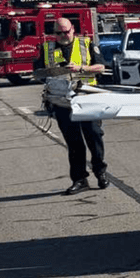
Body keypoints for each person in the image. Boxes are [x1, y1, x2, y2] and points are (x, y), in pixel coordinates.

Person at [43, 16, 108, 194]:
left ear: (73, 29)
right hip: (62, 102)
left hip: (87, 98)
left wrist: (81, 68)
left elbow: (101, 67)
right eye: (59, 33)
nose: (64, 35)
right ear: (54, 33)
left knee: (94, 137)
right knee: (74, 143)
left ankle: (100, 173)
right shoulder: (48, 49)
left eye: (66, 31)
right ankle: (79, 179)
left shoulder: (86, 44)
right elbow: (38, 72)